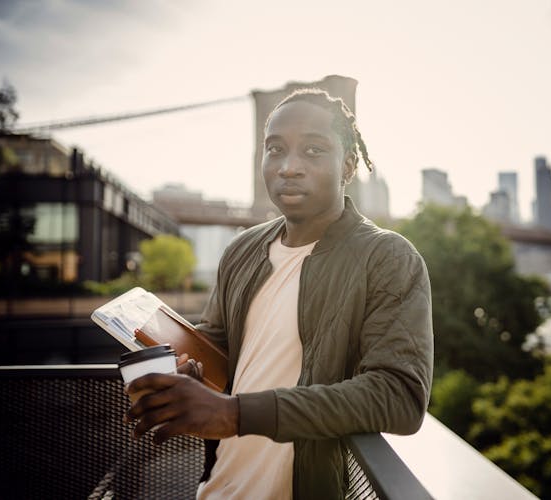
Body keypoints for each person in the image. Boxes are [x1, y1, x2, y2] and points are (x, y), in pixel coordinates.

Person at [125, 88, 434, 499]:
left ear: (348, 165)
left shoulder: (387, 257)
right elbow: (220, 350)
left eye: (312, 150)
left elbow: (400, 397)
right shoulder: (241, 250)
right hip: (216, 488)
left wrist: (233, 414)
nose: (289, 167)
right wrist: (183, 373)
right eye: (275, 149)